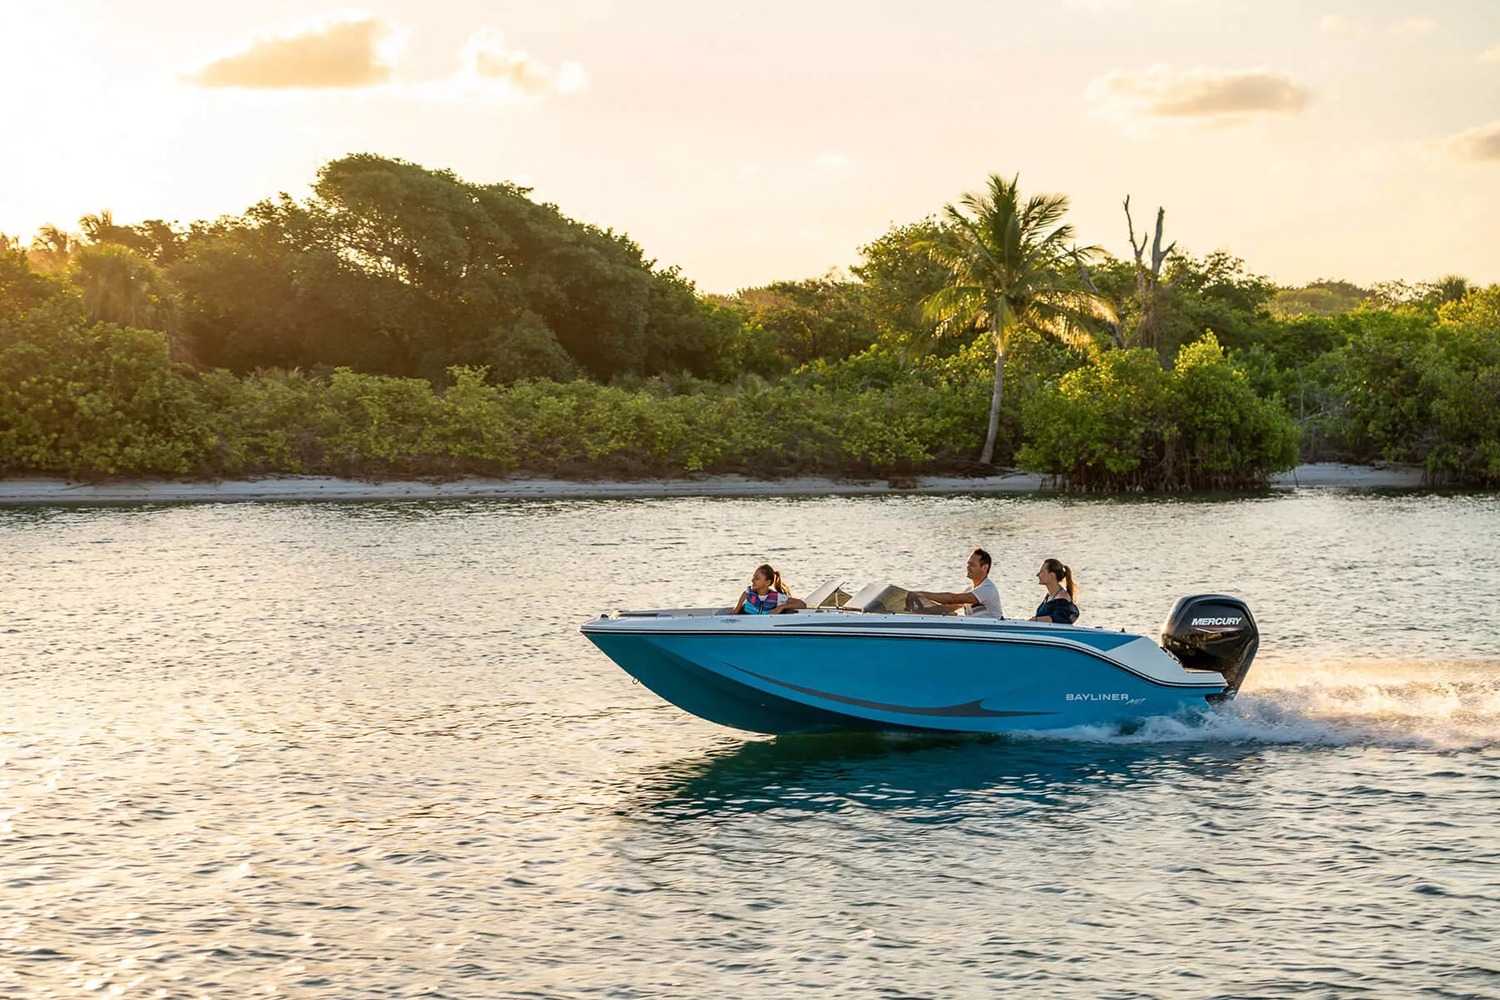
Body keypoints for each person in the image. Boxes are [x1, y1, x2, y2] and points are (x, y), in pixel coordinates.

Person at [912, 548, 1004, 619]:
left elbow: (953, 599)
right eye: (968, 564)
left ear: (984, 568)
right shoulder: (969, 590)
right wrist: (919, 611)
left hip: (993, 632)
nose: (968, 567)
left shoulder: (987, 589)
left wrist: (923, 595)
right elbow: (946, 608)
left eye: (972, 565)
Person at [733, 563, 807, 615]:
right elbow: (735, 612)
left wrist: (781, 607)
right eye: (753, 577)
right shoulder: (747, 594)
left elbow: (802, 604)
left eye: (757, 578)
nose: (752, 580)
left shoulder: (777, 597)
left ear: (767, 582)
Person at [1030, 558, 1080, 624]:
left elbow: (1060, 619)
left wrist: (1036, 619)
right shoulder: (1049, 596)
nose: (1038, 575)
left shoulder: (1063, 598)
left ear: (1051, 576)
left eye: (1042, 572)